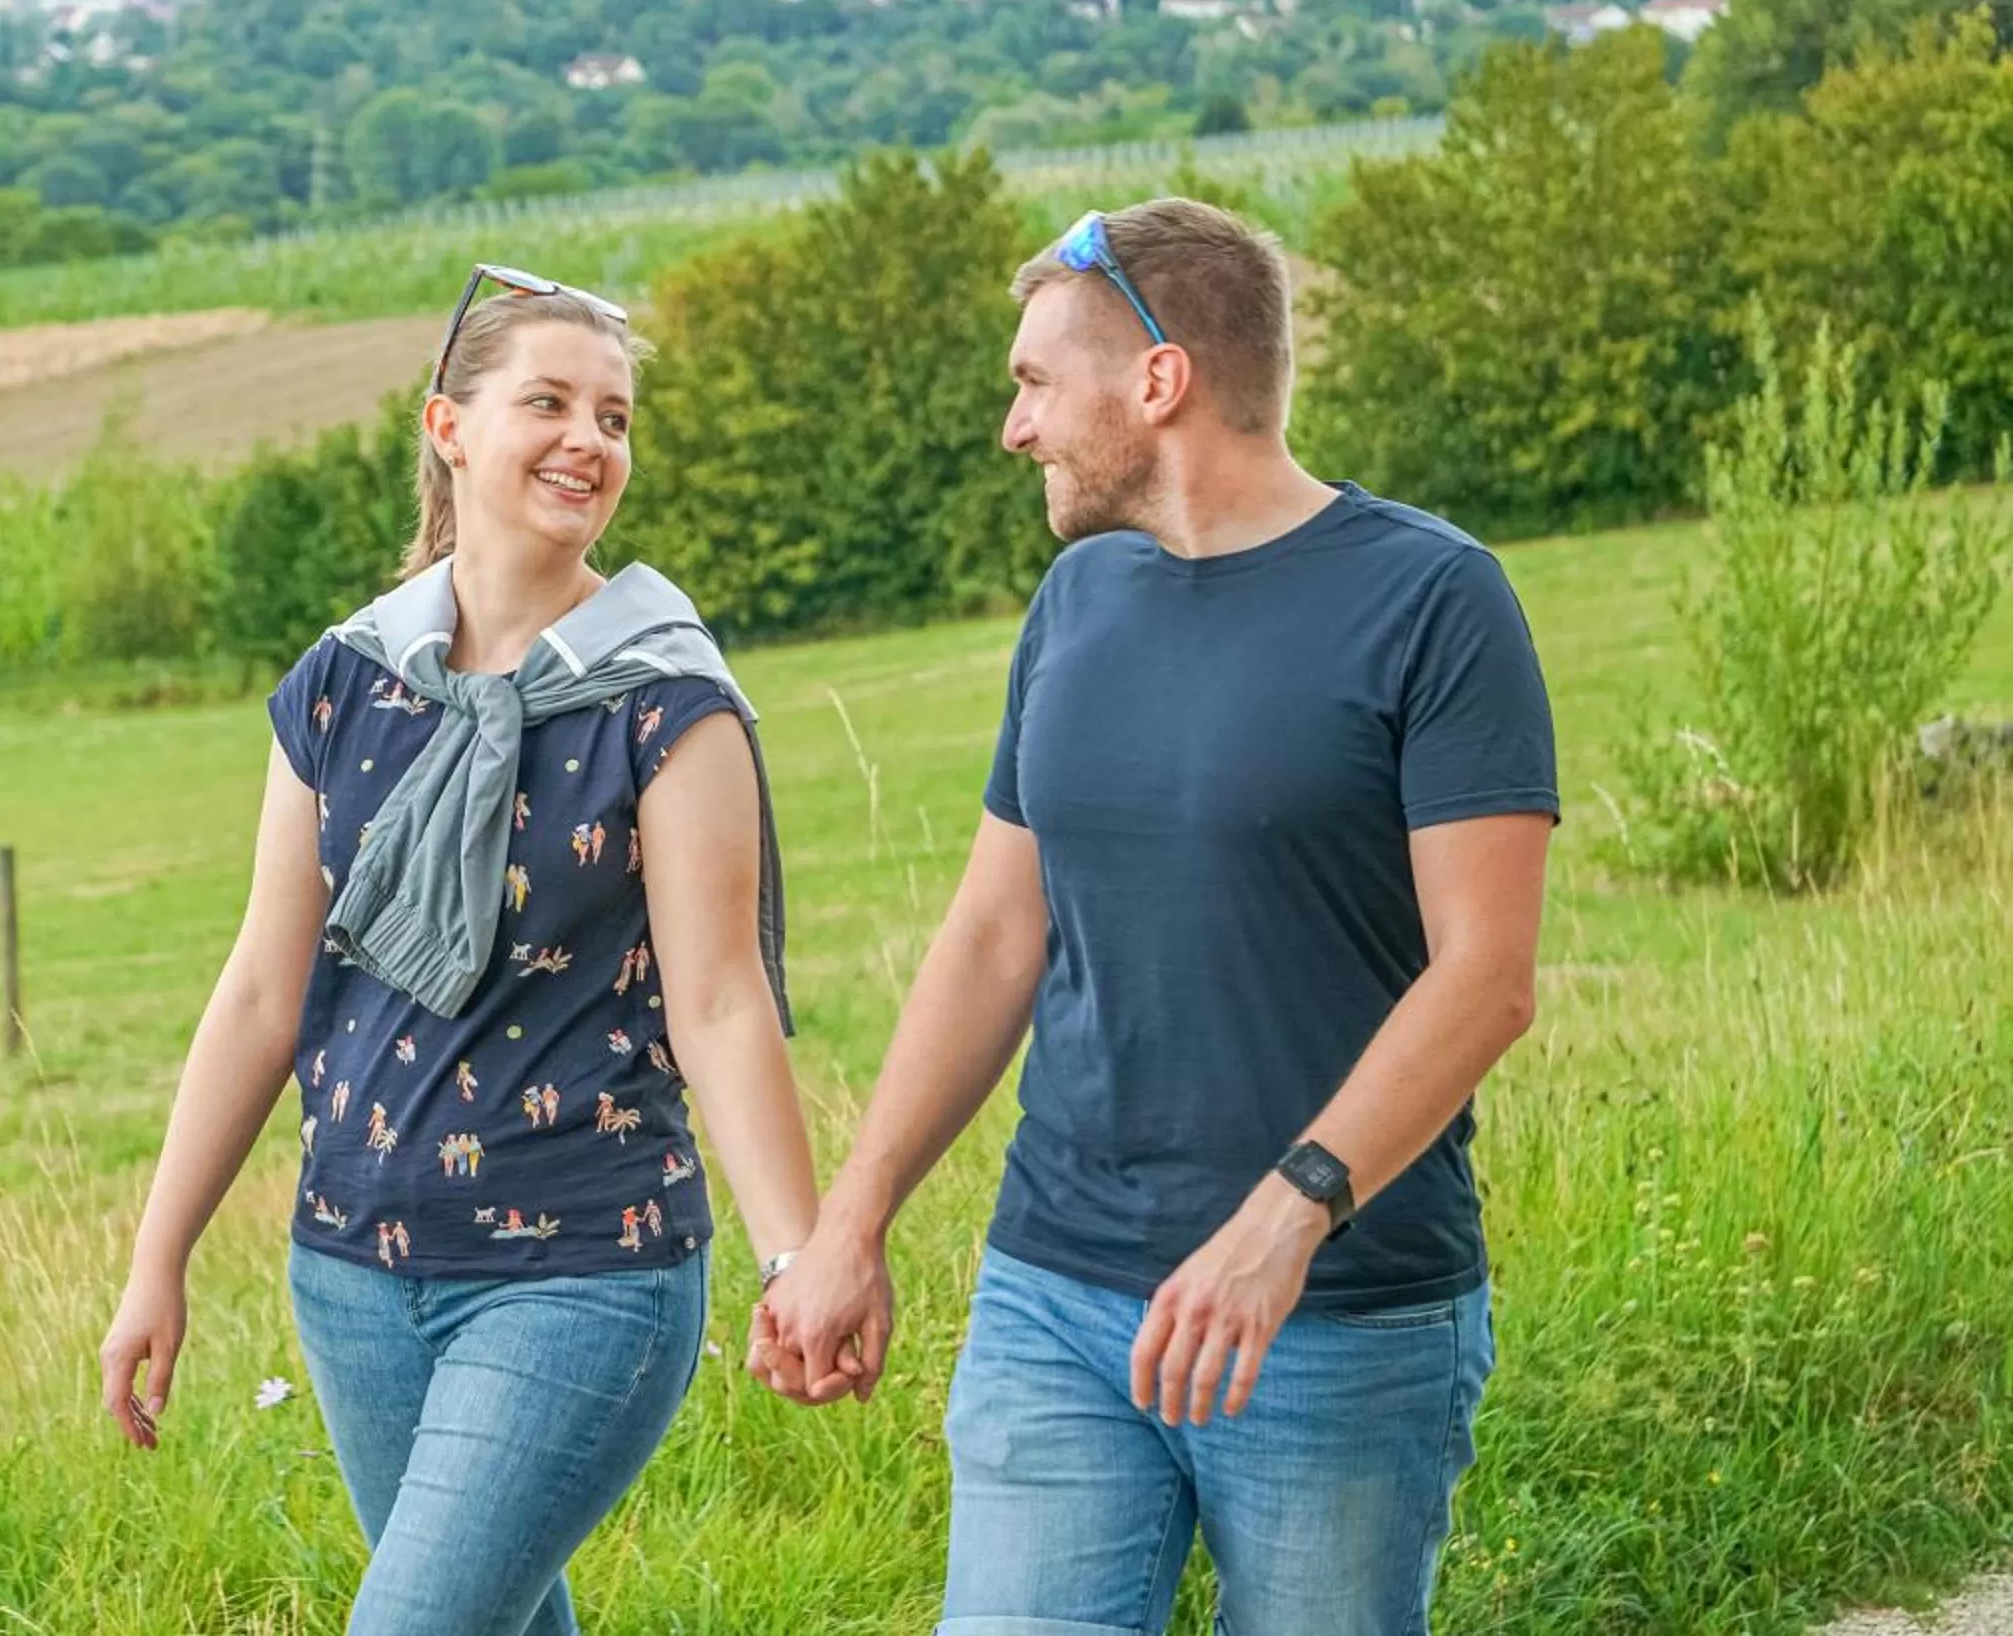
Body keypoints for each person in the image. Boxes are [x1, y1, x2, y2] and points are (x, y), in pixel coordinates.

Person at [754, 199, 1558, 1636]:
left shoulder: (1435, 600)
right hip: (1054, 1294)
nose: (1016, 428)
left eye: (1034, 383)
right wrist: (852, 1218)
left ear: (1160, 381)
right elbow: (998, 935)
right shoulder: (1077, 599)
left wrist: (1285, 1217)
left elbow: (1487, 979)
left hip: (1337, 1316)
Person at [101, 264, 823, 1636]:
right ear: (449, 426)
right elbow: (265, 987)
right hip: (354, 1275)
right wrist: (159, 1257)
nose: (589, 442)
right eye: (547, 402)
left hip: (585, 1271)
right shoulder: (347, 680)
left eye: (613, 417)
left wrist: (797, 1257)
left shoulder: (667, 698)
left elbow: (720, 1000)